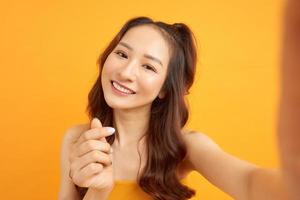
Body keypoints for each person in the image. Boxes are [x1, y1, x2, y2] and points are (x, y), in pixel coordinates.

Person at [58, 2, 299, 199]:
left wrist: (292, 180)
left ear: (165, 89)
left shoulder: (184, 147)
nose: (125, 72)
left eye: (149, 66)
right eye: (122, 54)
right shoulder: (76, 140)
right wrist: (98, 192)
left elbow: (248, 183)